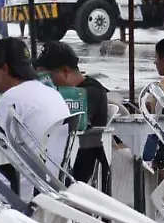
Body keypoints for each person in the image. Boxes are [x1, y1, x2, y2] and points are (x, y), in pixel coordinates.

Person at [0, 37, 70, 171]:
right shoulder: (53, 93)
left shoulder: (11, 98)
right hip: (54, 182)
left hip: (22, 184)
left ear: (5, 68)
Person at [34, 41, 109, 182]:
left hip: (77, 171)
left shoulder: (91, 91)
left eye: (46, 76)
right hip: (57, 162)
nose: (43, 80)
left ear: (65, 71)